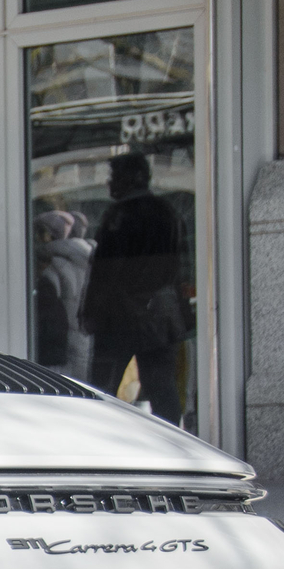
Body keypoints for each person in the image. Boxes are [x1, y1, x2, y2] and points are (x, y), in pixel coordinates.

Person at [82, 152, 191, 421]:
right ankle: (173, 446)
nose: (110, 184)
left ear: (133, 179)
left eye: (114, 177)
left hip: (119, 316)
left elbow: (105, 270)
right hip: (162, 317)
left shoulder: (118, 216)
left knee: (100, 391)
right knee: (162, 390)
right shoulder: (168, 212)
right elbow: (180, 268)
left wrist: (92, 309)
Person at [33, 209, 93, 378]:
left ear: (48, 235)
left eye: (38, 233)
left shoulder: (53, 269)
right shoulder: (87, 260)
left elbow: (48, 320)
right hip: (87, 348)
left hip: (62, 356)